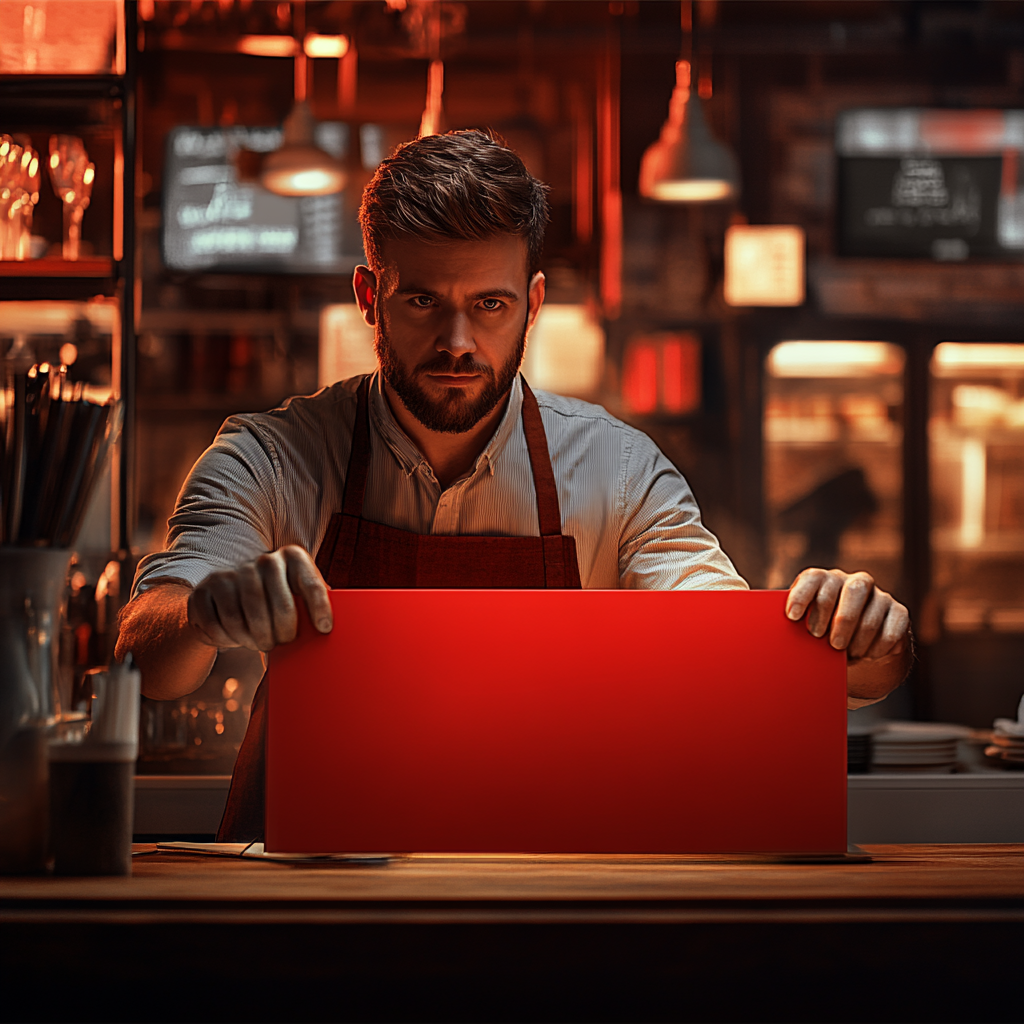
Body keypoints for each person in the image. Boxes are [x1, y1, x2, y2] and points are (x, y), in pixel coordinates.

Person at [116, 130, 912, 840]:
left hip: (545, 893)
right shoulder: (269, 456)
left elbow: (729, 654)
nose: (457, 342)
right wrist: (203, 609)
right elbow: (149, 657)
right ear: (370, 298)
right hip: (308, 899)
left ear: (531, 304)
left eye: (489, 304)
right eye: (423, 300)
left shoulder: (619, 472)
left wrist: (865, 647)